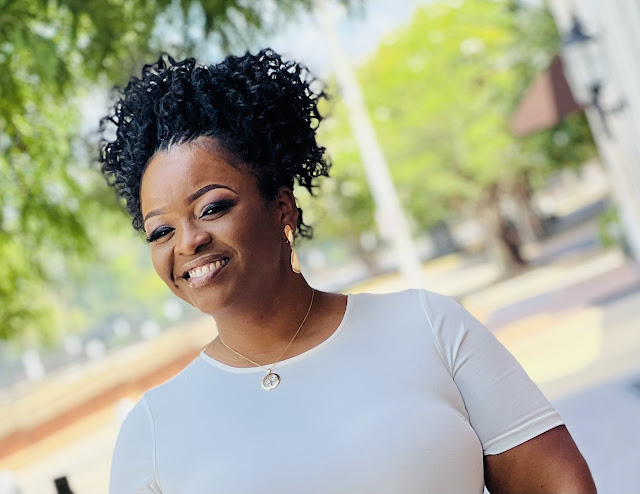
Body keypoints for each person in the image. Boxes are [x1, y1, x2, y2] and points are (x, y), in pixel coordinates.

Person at [100, 49, 596, 494]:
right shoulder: (153, 431)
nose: (188, 241)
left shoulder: (428, 327)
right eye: (160, 231)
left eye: (212, 208)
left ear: (281, 208)